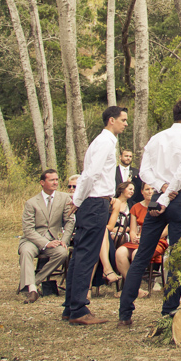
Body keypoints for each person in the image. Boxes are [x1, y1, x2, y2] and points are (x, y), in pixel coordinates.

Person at [117, 97, 181, 328]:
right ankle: (169, 311)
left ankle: (125, 313)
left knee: (143, 255)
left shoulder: (157, 138)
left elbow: (145, 172)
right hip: (178, 198)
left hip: (158, 197)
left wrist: (162, 189)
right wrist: (167, 193)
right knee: (175, 257)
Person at [62, 105, 128, 325]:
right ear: (111, 120)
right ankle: (78, 309)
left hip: (95, 201)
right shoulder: (104, 142)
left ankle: (70, 307)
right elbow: (90, 174)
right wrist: (78, 200)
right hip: (93, 202)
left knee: (82, 252)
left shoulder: (107, 142)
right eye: (123, 120)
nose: (126, 124)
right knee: (87, 255)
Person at [19, 168, 73, 302]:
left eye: (56, 180)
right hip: (32, 240)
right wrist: (45, 243)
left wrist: (64, 240)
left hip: (53, 239)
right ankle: (32, 291)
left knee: (62, 253)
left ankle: (33, 282)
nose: (55, 183)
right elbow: (28, 230)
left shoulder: (64, 198)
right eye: (51, 180)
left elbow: (69, 221)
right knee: (26, 251)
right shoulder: (31, 203)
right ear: (42, 182)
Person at [113, 182, 151, 284]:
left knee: (136, 253)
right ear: (142, 192)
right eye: (147, 189)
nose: (150, 191)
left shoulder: (160, 206)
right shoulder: (136, 207)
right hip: (137, 240)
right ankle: (132, 285)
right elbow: (133, 230)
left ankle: (133, 286)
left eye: (152, 189)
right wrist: (134, 237)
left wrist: (145, 239)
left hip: (154, 240)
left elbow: (165, 229)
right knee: (120, 252)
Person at [99, 180, 134, 285]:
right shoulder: (112, 203)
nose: (132, 192)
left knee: (122, 238)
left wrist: (125, 229)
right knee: (109, 237)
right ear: (122, 189)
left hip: (125, 232)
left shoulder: (132, 205)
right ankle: (111, 262)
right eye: (130, 189)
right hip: (109, 231)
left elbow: (132, 225)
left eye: (133, 190)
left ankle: (116, 262)